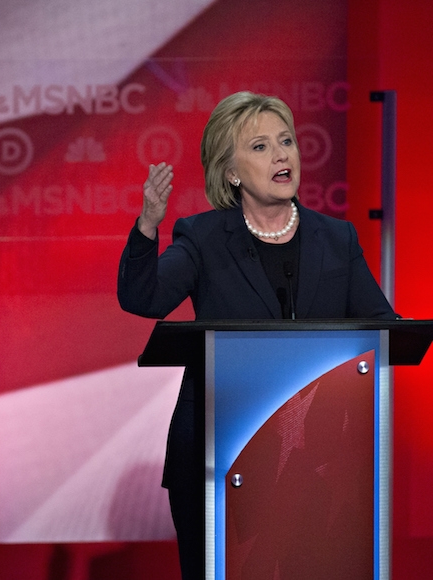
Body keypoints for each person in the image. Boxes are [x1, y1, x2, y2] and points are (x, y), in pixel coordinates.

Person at [117, 91, 397, 579]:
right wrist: (147, 225)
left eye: (286, 141)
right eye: (261, 147)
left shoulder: (337, 238)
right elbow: (145, 299)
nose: (282, 154)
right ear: (232, 172)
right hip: (218, 455)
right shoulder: (202, 239)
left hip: (320, 460)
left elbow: (384, 328)